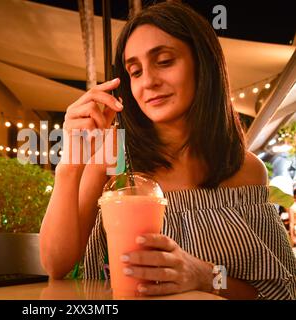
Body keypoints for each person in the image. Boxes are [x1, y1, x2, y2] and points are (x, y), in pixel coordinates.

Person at [39, 1, 296, 300]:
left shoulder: (245, 168)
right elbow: (56, 265)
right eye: (135, 71)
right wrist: (70, 163)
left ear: (203, 63)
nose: (148, 81)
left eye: (164, 61)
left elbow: (277, 289)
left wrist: (205, 275)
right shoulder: (114, 156)